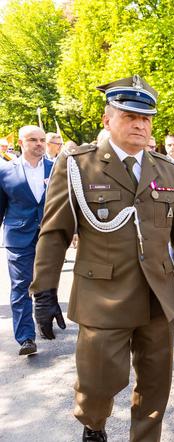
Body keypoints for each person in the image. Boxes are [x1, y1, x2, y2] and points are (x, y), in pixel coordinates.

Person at [29, 75, 174, 442]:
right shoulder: (79, 165)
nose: (140, 124)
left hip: (158, 297)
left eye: (146, 118)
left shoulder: (166, 168)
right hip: (103, 296)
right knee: (97, 386)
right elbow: (55, 231)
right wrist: (43, 291)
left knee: (156, 386)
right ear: (108, 119)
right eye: (129, 115)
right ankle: (94, 426)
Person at [0, 125, 53, 356]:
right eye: (33, 140)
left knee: (47, 284)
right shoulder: (5, 172)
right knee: (20, 287)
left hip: (49, 235)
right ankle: (26, 337)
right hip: (18, 237)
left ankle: (44, 319)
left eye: (42, 139)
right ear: (21, 142)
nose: (39, 143)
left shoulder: (56, 168)